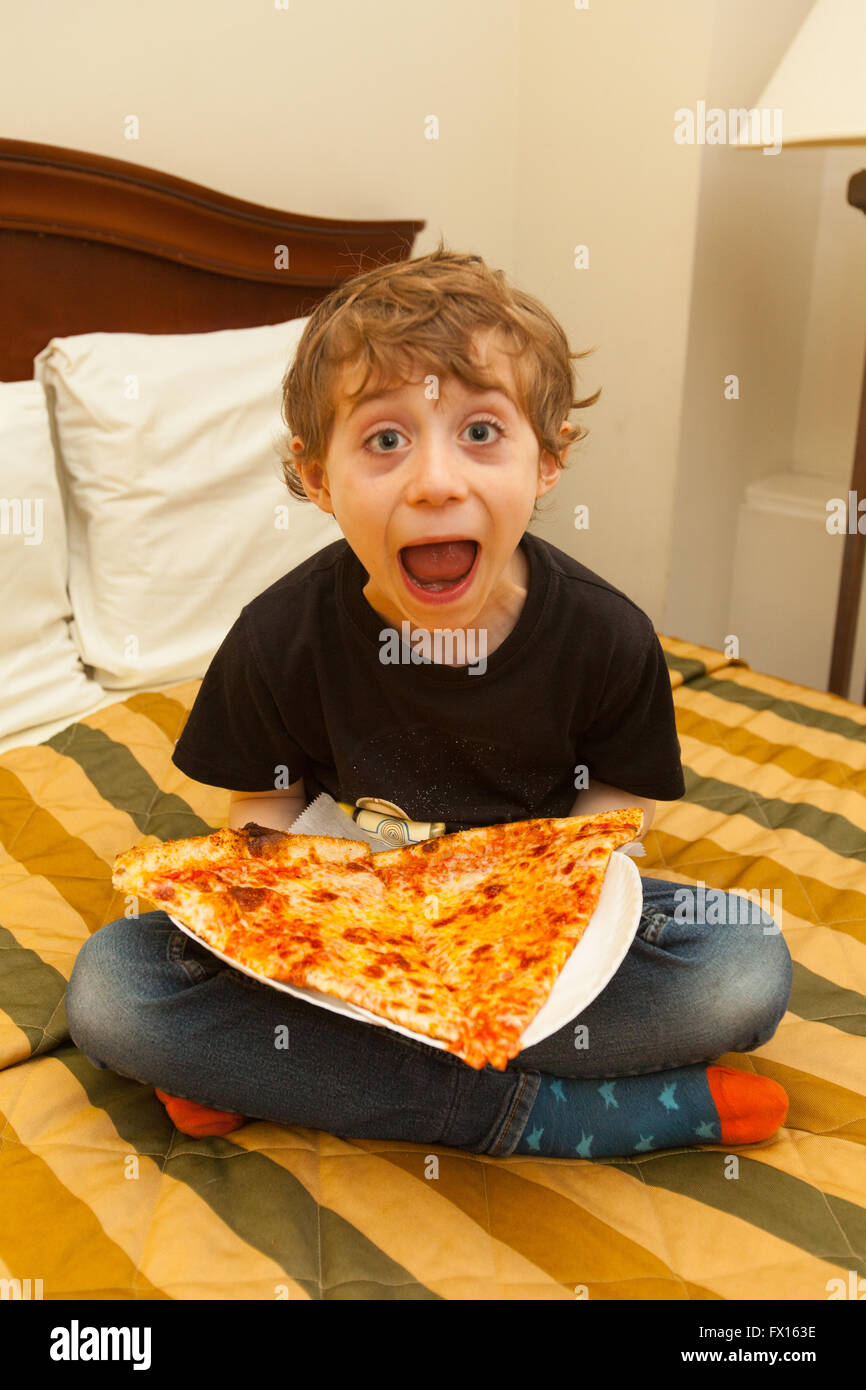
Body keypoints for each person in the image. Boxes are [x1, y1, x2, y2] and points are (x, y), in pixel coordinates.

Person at [66, 245, 791, 1158]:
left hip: (532, 940)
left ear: (549, 458)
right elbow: (262, 827)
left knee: (744, 964)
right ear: (318, 477)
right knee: (115, 988)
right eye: (385, 439)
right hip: (351, 925)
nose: (437, 480)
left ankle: (278, 1072)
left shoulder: (608, 636)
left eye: (482, 432)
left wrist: (530, 926)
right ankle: (558, 1117)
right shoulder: (276, 637)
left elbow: (615, 814)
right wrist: (337, 943)